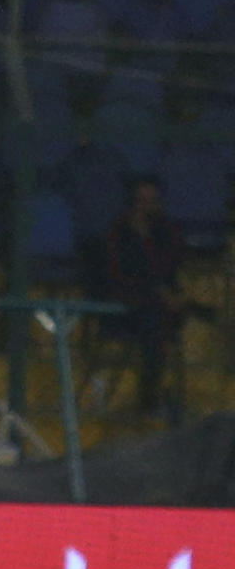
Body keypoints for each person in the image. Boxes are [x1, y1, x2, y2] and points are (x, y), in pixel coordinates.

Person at [105, 177, 185, 417]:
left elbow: (170, 266)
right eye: (142, 201)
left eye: (152, 201)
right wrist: (158, 291)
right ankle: (149, 400)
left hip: (161, 306)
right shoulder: (118, 233)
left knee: (161, 317)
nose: (147, 207)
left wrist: (147, 242)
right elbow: (121, 275)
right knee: (155, 319)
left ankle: (155, 397)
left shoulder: (166, 231)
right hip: (127, 307)